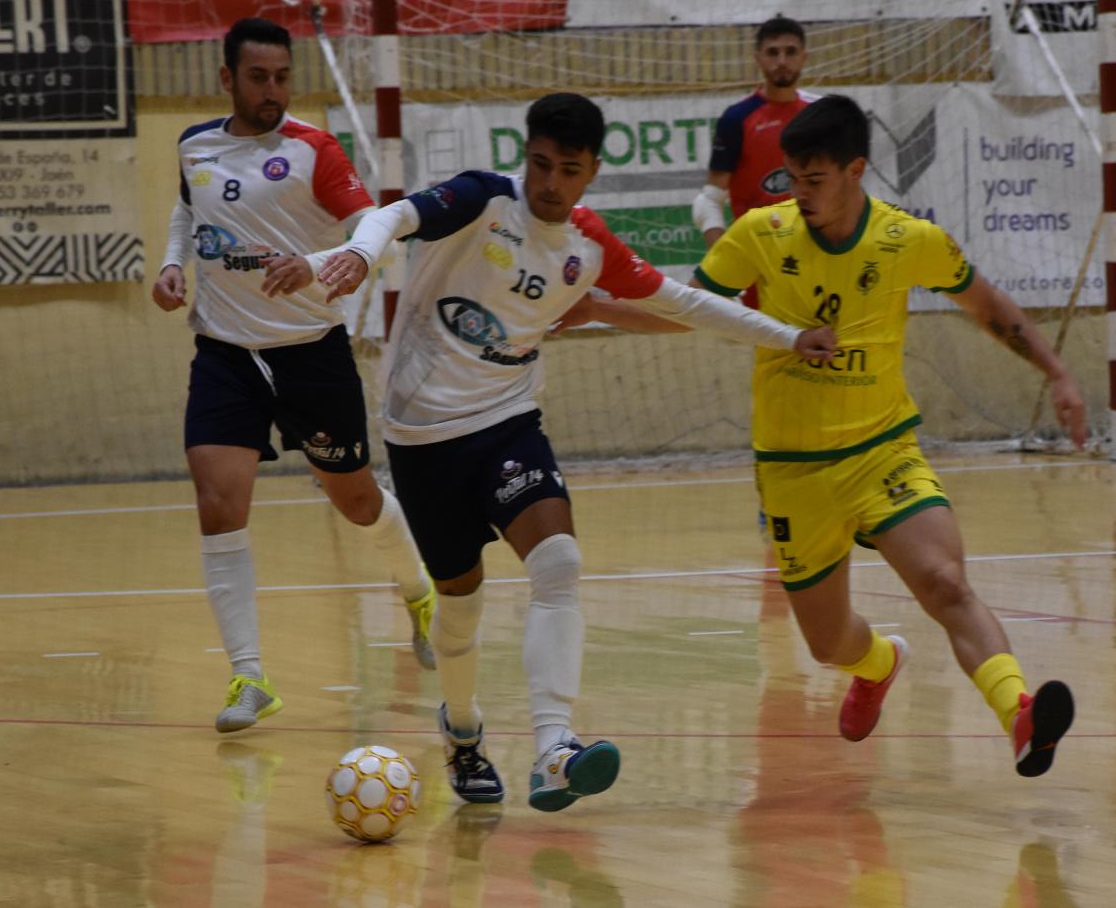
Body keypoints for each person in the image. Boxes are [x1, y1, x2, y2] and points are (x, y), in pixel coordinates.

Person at [312, 92, 836, 812]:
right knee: (460, 608)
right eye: (540, 164)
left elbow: (684, 303)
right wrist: (358, 253)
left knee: (558, 562)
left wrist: (788, 336)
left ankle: (555, 748)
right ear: (524, 155)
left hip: (507, 422)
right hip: (422, 438)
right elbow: (396, 216)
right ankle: (462, 730)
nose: (550, 183)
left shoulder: (589, 246)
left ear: (591, 172)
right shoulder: (482, 200)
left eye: (568, 170)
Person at [583, 94, 1084, 776]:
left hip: (882, 450)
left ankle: (1019, 715)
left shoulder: (908, 239)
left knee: (945, 584)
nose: (800, 192)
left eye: (814, 179)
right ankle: (878, 665)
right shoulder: (761, 232)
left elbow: (984, 303)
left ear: (855, 170)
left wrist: (1057, 372)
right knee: (827, 644)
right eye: (792, 177)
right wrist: (597, 308)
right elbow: (689, 310)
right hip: (794, 468)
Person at [151, 18, 437, 734]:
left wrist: (318, 265)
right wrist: (172, 263)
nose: (272, 91)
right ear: (228, 79)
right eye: (258, 78)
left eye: (282, 77)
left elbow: (371, 225)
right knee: (218, 503)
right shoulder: (195, 146)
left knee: (356, 501)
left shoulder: (314, 149)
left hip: (310, 352)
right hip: (225, 353)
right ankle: (249, 676)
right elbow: (187, 211)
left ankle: (417, 588)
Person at [694, 17, 817, 293]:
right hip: (760, 267)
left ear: (804, 57)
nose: (782, 61)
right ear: (758, 58)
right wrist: (726, 262)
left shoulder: (820, 114)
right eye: (773, 53)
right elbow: (708, 202)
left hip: (818, 259)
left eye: (791, 52)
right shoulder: (736, 119)